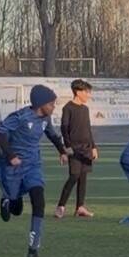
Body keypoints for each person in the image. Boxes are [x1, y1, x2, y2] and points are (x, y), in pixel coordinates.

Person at [0, 84, 70, 257]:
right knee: (16, 210)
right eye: (51, 103)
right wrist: (11, 156)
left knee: (39, 201)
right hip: (13, 168)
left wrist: (62, 151)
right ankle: (7, 199)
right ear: (40, 104)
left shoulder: (46, 118)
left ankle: (32, 250)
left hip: (33, 166)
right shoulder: (20, 116)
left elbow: (52, 135)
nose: (53, 107)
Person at [54, 79, 98, 218]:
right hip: (74, 148)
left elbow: (88, 129)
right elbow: (64, 127)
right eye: (86, 92)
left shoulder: (85, 109)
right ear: (78, 92)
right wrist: (67, 146)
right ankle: (61, 206)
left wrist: (93, 147)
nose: (88, 95)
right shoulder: (68, 108)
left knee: (83, 177)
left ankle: (80, 207)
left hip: (86, 148)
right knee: (74, 176)